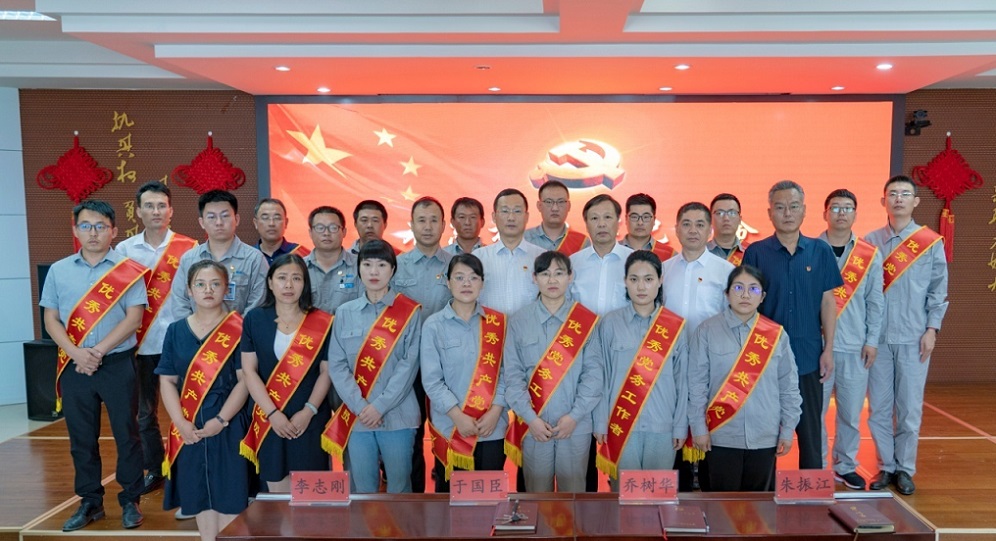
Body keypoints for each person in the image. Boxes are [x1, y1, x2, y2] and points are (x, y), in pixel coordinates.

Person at [40, 200, 148, 531]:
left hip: (117, 362)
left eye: (101, 226)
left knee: (127, 434)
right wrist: (76, 353)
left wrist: (97, 351)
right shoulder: (59, 270)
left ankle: (130, 499)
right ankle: (90, 502)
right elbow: (51, 318)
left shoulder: (129, 269)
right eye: (86, 226)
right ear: (75, 230)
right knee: (81, 438)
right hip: (75, 366)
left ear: (114, 231)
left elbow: (134, 319)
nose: (93, 233)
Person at [743, 180, 843, 470]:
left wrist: (829, 349)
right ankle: (764, 488)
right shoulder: (756, 252)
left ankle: (810, 488)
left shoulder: (820, 251)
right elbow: (747, 305)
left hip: (808, 354)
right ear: (769, 213)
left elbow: (828, 302)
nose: (787, 213)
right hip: (765, 358)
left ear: (804, 210)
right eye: (780, 207)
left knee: (810, 431)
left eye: (794, 206)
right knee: (765, 429)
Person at [865, 175, 948, 495]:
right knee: (879, 408)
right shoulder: (869, 242)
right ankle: (886, 465)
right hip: (877, 341)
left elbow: (937, 291)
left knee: (909, 409)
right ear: (883, 201)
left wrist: (932, 330)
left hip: (914, 338)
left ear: (915, 201)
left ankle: (905, 469)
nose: (898, 198)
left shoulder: (930, 242)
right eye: (892, 194)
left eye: (905, 193)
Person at [157, 260, 249, 541]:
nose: (208, 290)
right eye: (200, 284)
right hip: (189, 424)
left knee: (231, 495)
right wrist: (179, 422)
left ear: (226, 289)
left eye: (215, 284)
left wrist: (221, 420)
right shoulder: (175, 331)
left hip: (229, 422)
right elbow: (167, 380)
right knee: (199, 496)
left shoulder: (240, 328)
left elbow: (245, 380)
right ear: (189, 290)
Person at [115, 181, 197, 494]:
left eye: (162, 205)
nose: (156, 211)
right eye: (149, 206)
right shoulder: (124, 250)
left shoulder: (189, 248)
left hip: (181, 343)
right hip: (141, 344)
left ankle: (188, 465)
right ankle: (156, 468)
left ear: (171, 210)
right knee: (144, 413)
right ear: (138, 211)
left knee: (189, 407)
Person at [689, 265, 802, 491]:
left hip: (765, 435)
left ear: (763, 297)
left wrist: (788, 430)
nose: (745, 295)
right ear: (726, 293)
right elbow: (696, 384)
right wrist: (698, 428)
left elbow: (788, 387)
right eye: (738, 288)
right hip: (720, 435)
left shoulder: (776, 334)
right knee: (720, 505)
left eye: (754, 289)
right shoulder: (706, 331)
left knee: (758, 507)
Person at [324, 240, 423, 493]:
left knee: (399, 488)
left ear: (393, 270)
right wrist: (361, 407)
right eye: (367, 265)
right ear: (358, 270)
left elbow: (409, 365)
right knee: (363, 490)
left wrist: (379, 406)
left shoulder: (410, 312)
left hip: (399, 415)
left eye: (381, 265)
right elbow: (337, 365)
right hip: (358, 417)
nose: (374, 271)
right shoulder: (344, 312)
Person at [503, 251, 601, 492]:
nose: (552, 280)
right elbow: (513, 376)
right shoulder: (518, 321)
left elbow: (594, 376)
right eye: (545, 274)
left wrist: (574, 416)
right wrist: (531, 419)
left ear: (570, 276)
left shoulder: (586, 321)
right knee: (537, 496)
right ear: (534, 278)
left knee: (573, 495)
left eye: (559, 273)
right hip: (534, 425)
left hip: (575, 425)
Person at [592, 250, 687, 491]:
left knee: (659, 496)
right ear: (625, 281)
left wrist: (680, 425)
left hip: (662, 427)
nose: (641, 287)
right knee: (624, 495)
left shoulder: (675, 326)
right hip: (621, 424)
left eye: (648, 279)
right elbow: (601, 377)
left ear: (660, 280)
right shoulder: (609, 323)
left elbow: (683, 381)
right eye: (634, 279)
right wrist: (600, 422)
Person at [240, 254, 333, 492]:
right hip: (269, 416)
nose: (289, 285)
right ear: (270, 282)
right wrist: (272, 413)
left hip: (309, 417)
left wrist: (308, 411)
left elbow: (326, 372)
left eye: (296, 278)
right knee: (276, 494)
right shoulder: (254, 319)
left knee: (311, 493)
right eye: (282, 278)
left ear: (305, 283)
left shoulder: (322, 321)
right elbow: (249, 371)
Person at [661, 202, 734, 490]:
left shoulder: (726, 271)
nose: (693, 230)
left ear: (710, 230)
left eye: (700, 224)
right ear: (676, 229)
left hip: (711, 364)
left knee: (708, 424)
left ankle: (706, 490)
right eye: (687, 224)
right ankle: (678, 491)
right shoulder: (664, 270)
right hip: (670, 363)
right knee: (675, 423)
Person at [420, 254, 508, 492]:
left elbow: (508, 373)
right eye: (459, 277)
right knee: (451, 500)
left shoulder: (498, 323)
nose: (466, 283)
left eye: (473, 277)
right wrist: (457, 416)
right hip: (451, 429)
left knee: (490, 496)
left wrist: (496, 411)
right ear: (448, 282)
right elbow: (432, 381)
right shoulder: (433, 325)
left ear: (482, 283)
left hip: (491, 428)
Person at [817, 189, 884, 490]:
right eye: (835, 208)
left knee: (850, 413)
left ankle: (845, 465)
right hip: (817, 347)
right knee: (814, 413)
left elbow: (875, 302)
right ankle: (817, 467)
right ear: (825, 213)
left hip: (855, 347)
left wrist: (872, 341)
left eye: (847, 208)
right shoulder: (809, 249)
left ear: (855, 214)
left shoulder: (869, 254)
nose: (841, 213)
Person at [392, 196, 453, 492]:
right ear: (411, 225)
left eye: (433, 220)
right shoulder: (397, 266)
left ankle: (446, 494)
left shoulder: (456, 265)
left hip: (447, 367)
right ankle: (414, 499)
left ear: (443, 225)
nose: (427, 226)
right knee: (411, 434)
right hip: (409, 365)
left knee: (446, 430)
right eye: (421, 220)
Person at [171, 190, 269, 320]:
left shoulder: (255, 259)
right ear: (202, 222)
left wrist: (232, 330)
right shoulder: (189, 259)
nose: (219, 222)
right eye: (211, 217)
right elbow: (179, 303)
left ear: (236, 219)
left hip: (243, 332)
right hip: (195, 332)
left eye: (225, 216)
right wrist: (194, 330)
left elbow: (259, 305)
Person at [474, 189, 544, 315]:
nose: (511, 218)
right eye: (505, 211)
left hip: (529, 327)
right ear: (494, 217)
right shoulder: (478, 258)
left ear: (526, 217)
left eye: (517, 211)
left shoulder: (541, 257)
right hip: (488, 327)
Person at [570, 194, 633, 316]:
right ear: (586, 225)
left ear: (618, 222)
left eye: (607, 217)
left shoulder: (634, 262)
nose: (601, 224)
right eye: (594, 218)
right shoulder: (573, 263)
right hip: (582, 328)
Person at [303, 206, 362, 315]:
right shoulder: (299, 268)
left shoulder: (361, 267)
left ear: (344, 232)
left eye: (333, 227)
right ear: (310, 232)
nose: (326, 233)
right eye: (320, 228)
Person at [524, 180, 588, 255]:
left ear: (569, 206)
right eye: (549, 202)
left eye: (561, 202)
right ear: (539, 206)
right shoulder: (523, 239)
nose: (555, 208)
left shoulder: (583, 242)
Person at [620, 193, 675, 261]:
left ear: (654, 220)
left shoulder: (669, 255)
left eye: (646, 217)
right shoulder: (611, 250)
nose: (640, 223)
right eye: (634, 217)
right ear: (626, 219)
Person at [253, 198, 308, 265]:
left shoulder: (301, 254)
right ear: (256, 223)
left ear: (286, 223)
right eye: (265, 218)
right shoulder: (248, 256)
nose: (271, 223)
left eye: (277, 218)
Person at [708, 193, 751, 265]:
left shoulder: (751, 252)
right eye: (719, 213)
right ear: (710, 219)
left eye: (732, 213)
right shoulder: (700, 252)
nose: (726, 218)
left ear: (739, 219)